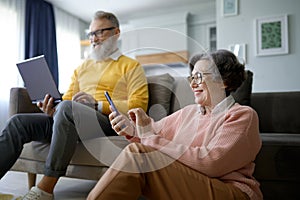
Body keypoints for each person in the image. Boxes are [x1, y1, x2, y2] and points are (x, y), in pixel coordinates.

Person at [0, 11, 148, 200]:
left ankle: (44, 190)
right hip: (70, 118)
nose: (94, 39)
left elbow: (139, 104)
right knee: (18, 122)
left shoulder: (131, 66)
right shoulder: (82, 68)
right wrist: (52, 108)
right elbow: (67, 98)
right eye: (91, 34)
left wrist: (96, 105)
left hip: (107, 121)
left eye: (100, 32)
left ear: (116, 33)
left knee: (68, 108)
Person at [87, 49, 263, 200]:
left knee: (139, 155)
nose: (193, 84)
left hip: (231, 192)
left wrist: (148, 138)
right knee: (141, 154)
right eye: (192, 77)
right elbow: (153, 134)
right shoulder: (189, 112)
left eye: (199, 77)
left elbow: (210, 163)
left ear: (223, 81)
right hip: (194, 184)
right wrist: (132, 129)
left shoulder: (242, 115)